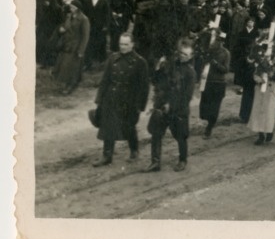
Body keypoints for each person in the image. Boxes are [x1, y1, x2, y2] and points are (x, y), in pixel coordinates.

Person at [91, 33, 150, 166]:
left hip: (129, 100)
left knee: (129, 126)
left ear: (132, 45)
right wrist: (99, 100)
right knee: (108, 126)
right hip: (111, 98)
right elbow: (105, 80)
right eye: (121, 44)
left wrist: (139, 107)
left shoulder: (140, 62)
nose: (122, 47)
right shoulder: (113, 58)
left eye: (126, 44)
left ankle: (134, 150)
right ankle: (107, 155)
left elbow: (144, 87)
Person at [144, 40, 196, 173]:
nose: (182, 56)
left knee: (180, 136)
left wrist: (172, 105)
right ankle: (155, 162)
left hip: (179, 110)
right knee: (156, 133)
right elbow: (157, 81)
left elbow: (187, 96)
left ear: (191, 56)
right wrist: (158, 68)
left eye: (186, 54)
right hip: (163, 107)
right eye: (181, 53)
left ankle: (182, 160)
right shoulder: (170, 65)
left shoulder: (190, 73)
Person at [248, 19, 275, 145]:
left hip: (272, 88)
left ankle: (269, 131)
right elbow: (255, 72)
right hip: (260, 88)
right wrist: (258, 78)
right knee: (258, 110)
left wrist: (273, 75)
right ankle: (260, 134)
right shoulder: (260, 59)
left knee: (269, 111)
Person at [53, 0, 91, 95]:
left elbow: (85, 37)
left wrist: (81, 50)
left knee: (73, 67)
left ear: (78, 8)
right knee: (65, 65)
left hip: (75, 47)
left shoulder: (84, 19)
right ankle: (67, 84)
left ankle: (70, 86)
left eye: (73, 7)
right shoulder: (69, 16)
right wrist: (61, 29)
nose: (71, 8)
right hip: (66, 45)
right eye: (71, 7)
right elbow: (65, 26)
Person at [197, 29, 231, 139]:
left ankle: (209, 128)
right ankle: (208, 123)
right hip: (207, 82)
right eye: (215, 40)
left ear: (222, 42)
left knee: (214, 108)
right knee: (204, 106)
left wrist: (215, 64)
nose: (215, 42)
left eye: (218, 40)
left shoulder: (225, 53)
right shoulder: (209, 51)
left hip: (218, 83)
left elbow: (226, 69)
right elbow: (203, 64)